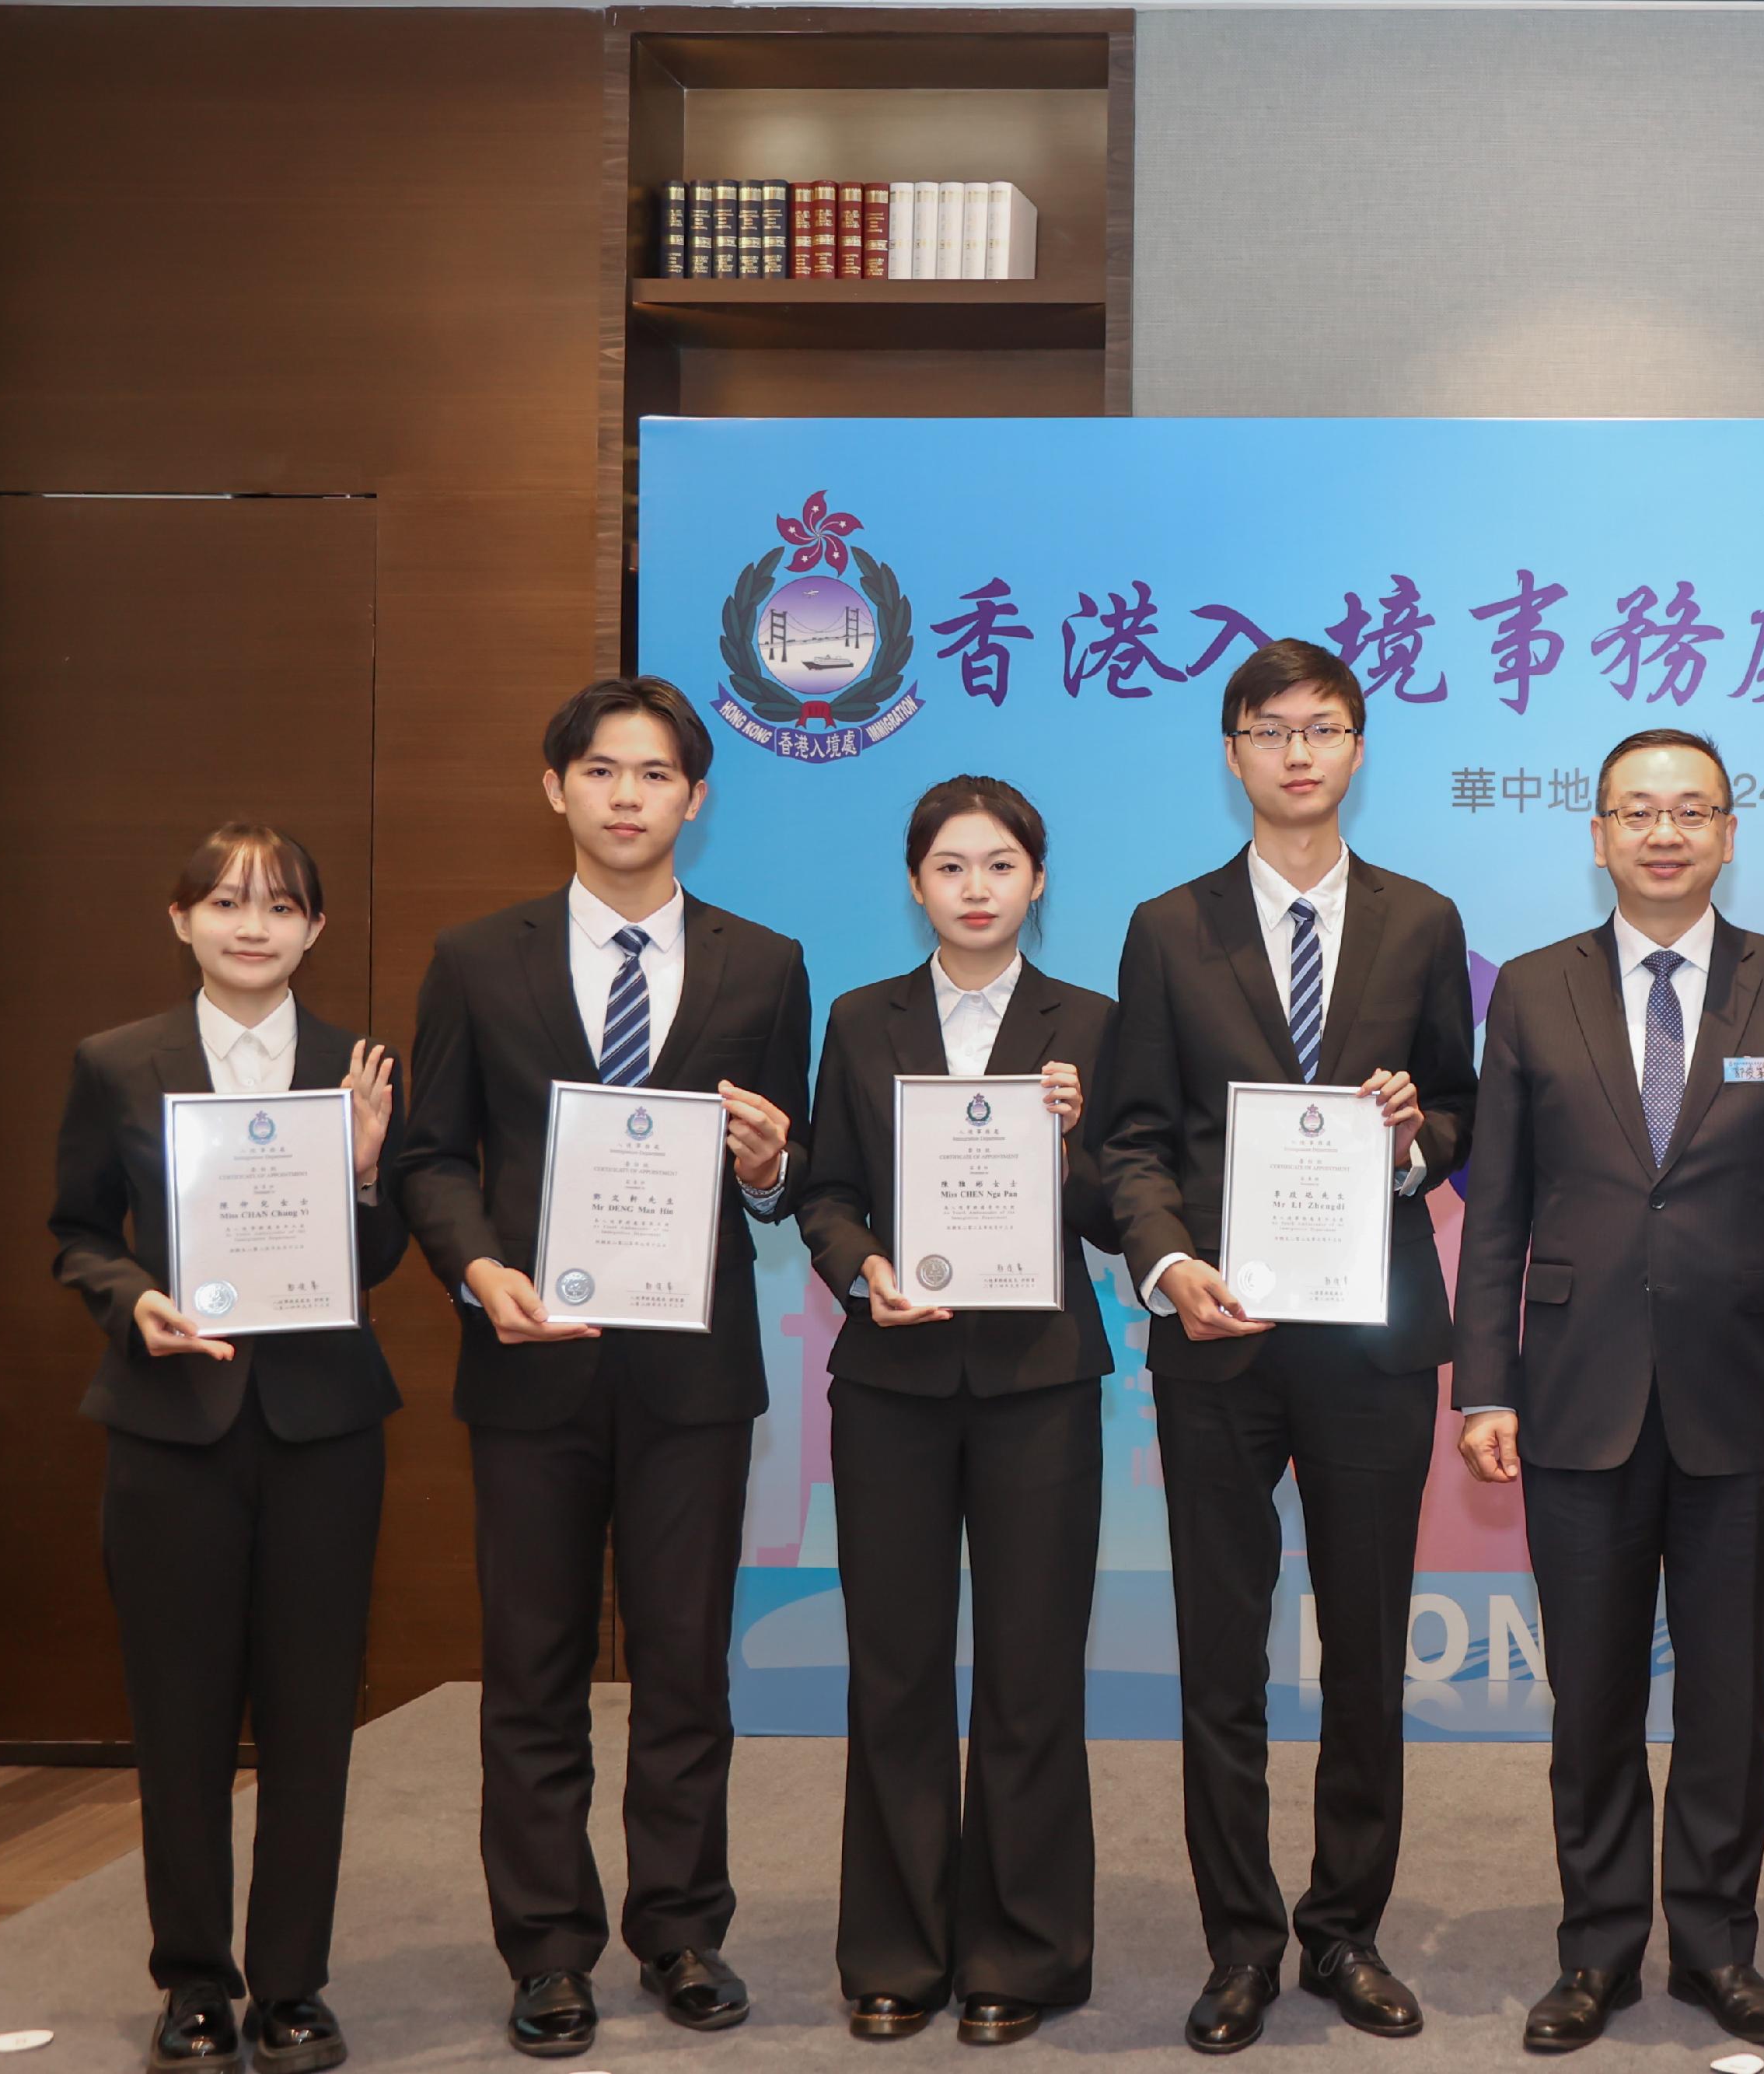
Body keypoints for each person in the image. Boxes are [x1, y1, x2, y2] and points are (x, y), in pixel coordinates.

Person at [397, 677, 812, 2061]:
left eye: (655, 774)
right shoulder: (475, 957)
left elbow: (784, 1169)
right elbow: (430, 1154)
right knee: (533, 1666)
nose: (627, 795)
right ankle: (550, 1950)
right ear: (556, 788)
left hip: (693, 1374)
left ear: (697, 799)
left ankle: (683, 1932)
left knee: (689, 1666)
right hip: (530, 1368)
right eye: (601, 769)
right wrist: (474, 1270)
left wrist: (769, 1169)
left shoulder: (765, 964)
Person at [1454, 726, 1764, 2054]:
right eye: (1637, 811)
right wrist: (1484, 1387)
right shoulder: (1531, 989)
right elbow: (1499, 1207)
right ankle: (1596, 1956)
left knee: (1730, 1698)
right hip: (1572, 1397)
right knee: (1592, 1696)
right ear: (1598, 835)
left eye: (1692, 811)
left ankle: (1715, 1948)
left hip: (1746, 1399)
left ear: (1731, 832)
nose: (1665, 833)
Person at [1094, 638, 1476, 2053]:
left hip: (1371, 1341)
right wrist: (1173, 1265)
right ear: (1235, 753)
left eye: (1325, 729)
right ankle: (1241, 1944)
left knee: (1367, 1652)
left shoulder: (1423, 922)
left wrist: (1406, 1139)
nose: (1300, 752)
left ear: (1359, 749)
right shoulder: (1166, 925)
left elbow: (1462, 1114)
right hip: (1218, 1341)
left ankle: (1344, 1932)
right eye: (1271, 730)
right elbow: (1135, 1138)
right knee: (1223, 1658)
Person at [49, 824, 404, 2074]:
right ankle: (194, 1982)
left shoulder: (352, 1064)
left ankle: (293, 1986)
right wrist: (131, 1297)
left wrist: (364, 1177)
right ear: (180, 918)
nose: (252, 925)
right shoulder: (116, 1062)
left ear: (314, 928)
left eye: (279, 905)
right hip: (168, 1433)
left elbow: (377, 1266)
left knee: (313, 1719)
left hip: (323, 1431)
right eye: (225, 902)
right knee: (182, 1717)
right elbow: (78, 1231)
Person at [796, 776, 1120, 2045]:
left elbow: (1116, 1207)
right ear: (916, 883)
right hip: (893, 1385)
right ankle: (895, 1951)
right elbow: (825, 1193)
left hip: (1040, 1383)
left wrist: (1080, 1143)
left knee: (1035, 1676)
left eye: (1000, 864)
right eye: (949, 865)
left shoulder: (1090, 1022)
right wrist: (859, 1270)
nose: (976, 886)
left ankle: (1022, 1954)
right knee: (895, 1673)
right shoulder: (860, 1018)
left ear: (1038, 881)